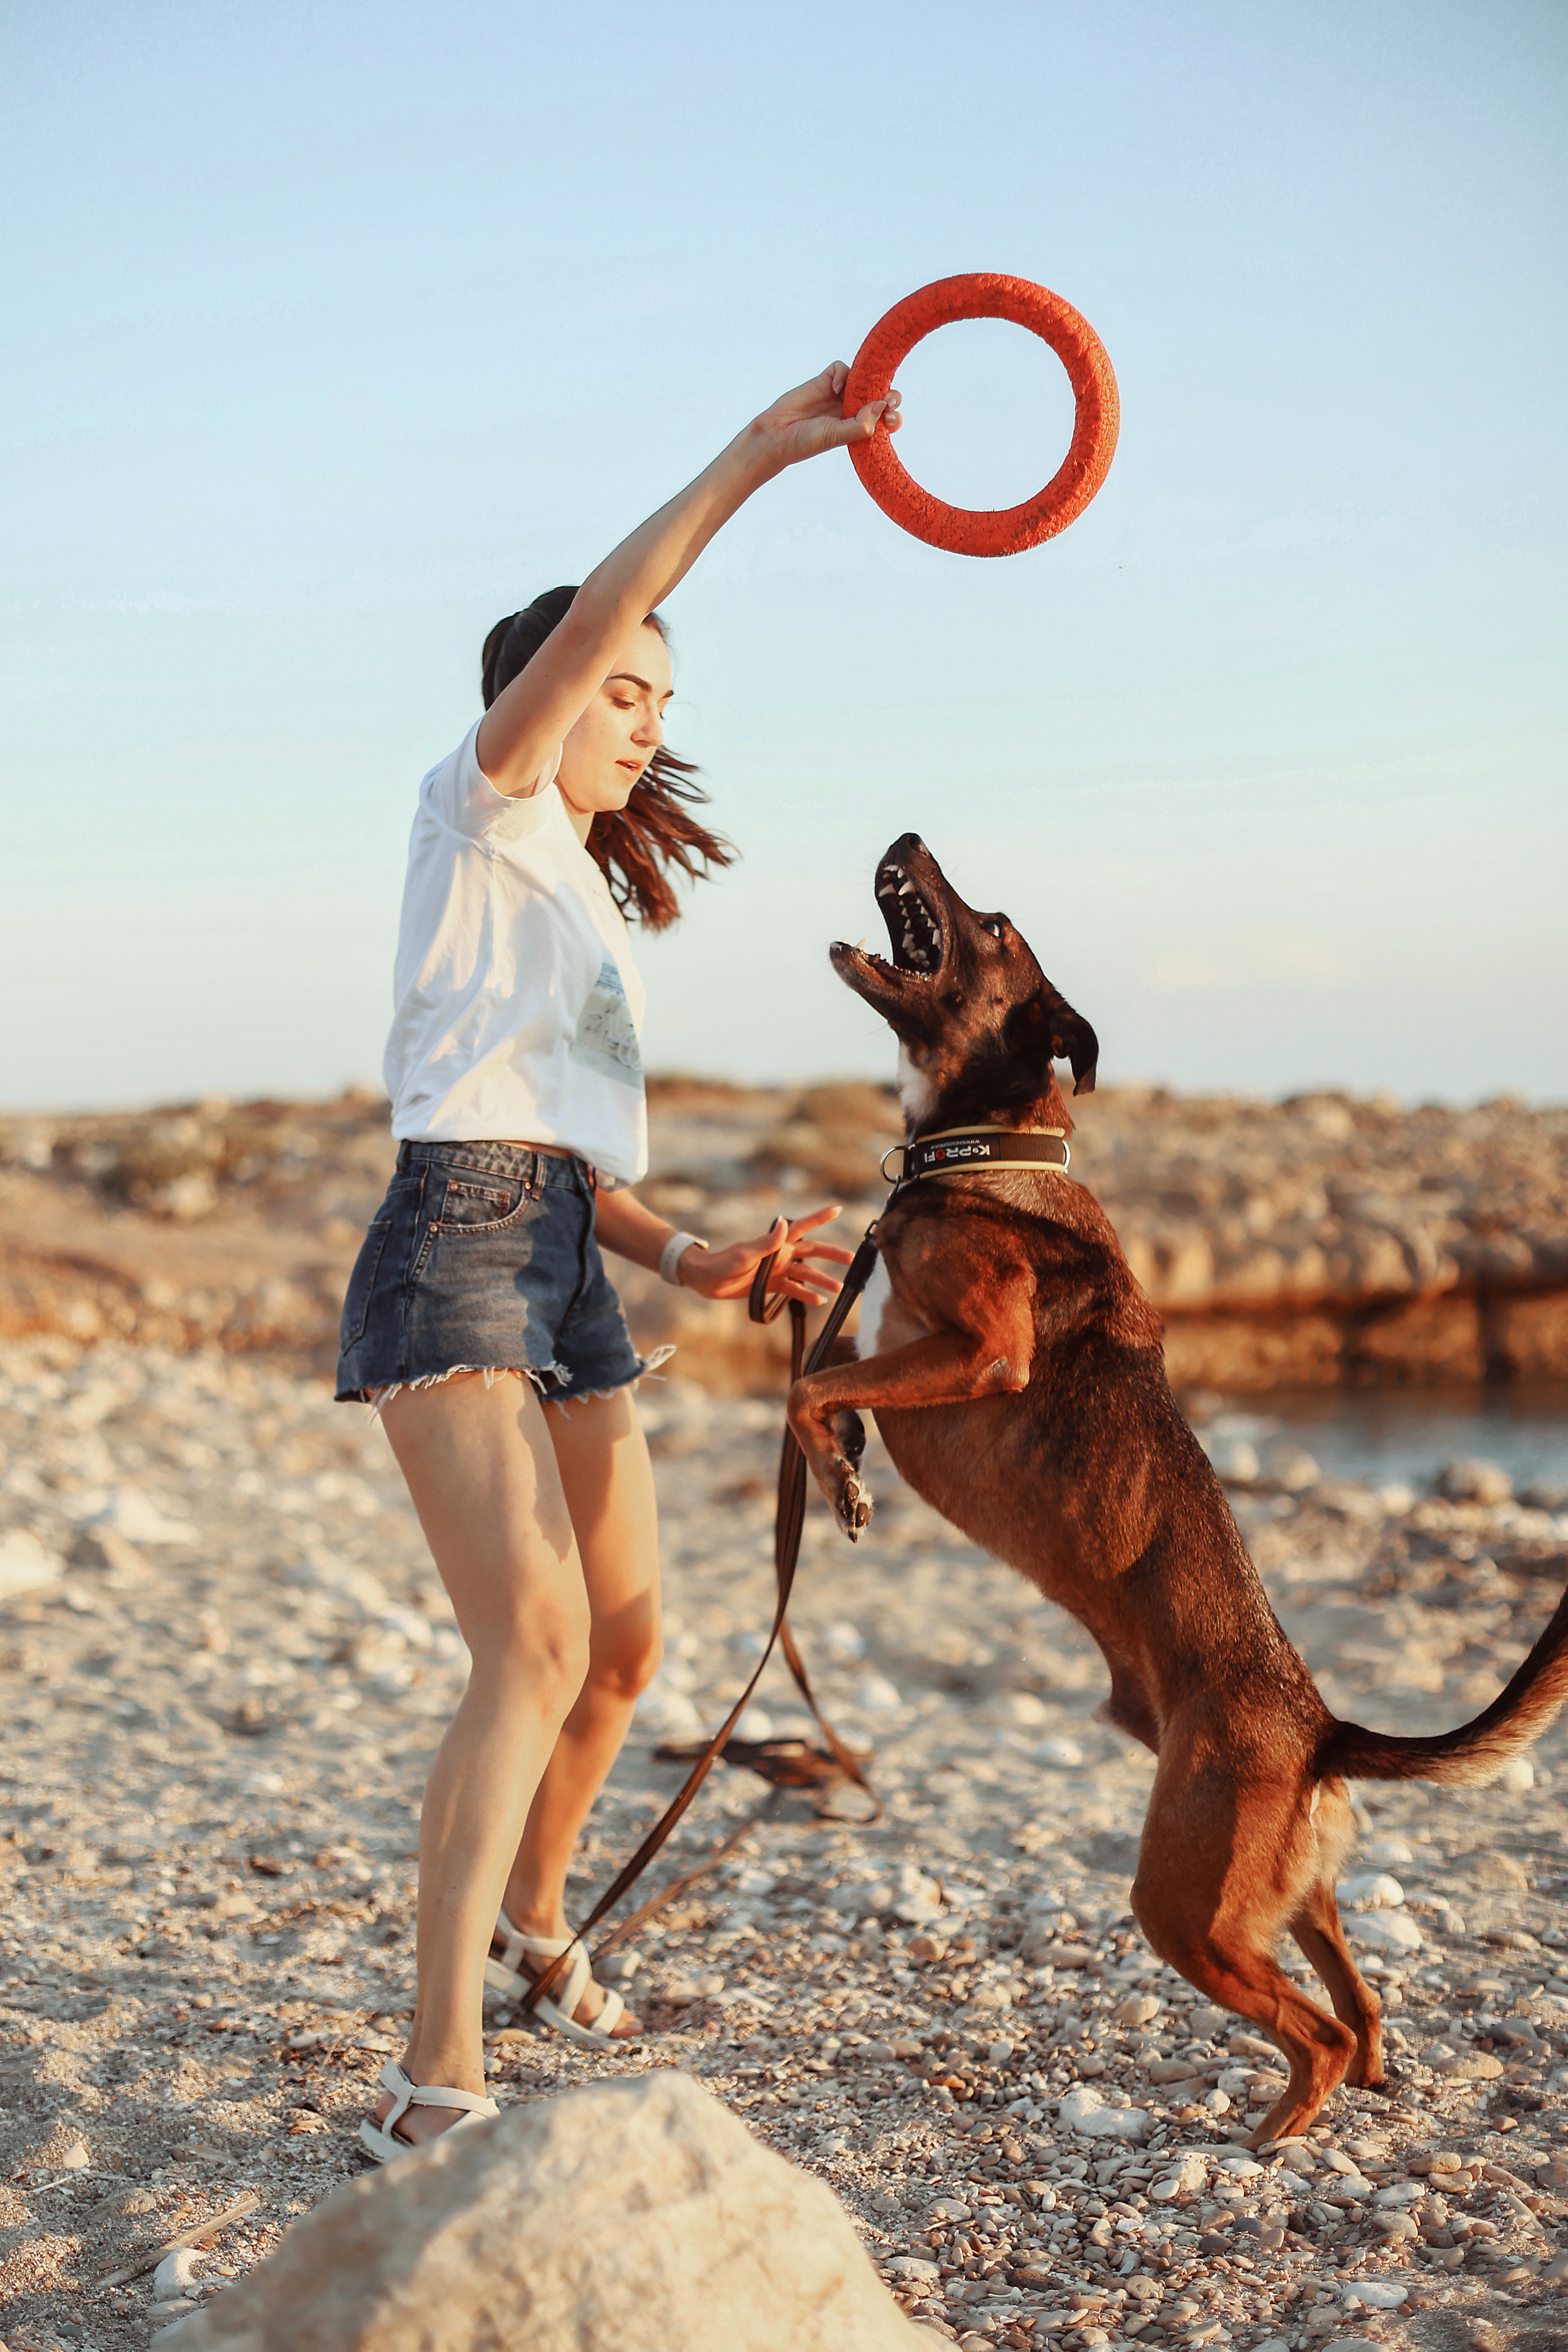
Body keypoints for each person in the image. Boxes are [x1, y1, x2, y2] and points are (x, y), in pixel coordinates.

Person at [337, 363, 902, 2158]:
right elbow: (595, 618)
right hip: (453, 1252)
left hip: (566, 1259)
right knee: (531, 1643)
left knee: (627, 1651)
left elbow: (577, 1163)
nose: (642, 723)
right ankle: (435, 2078)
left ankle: (534, 1919)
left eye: (663, 701)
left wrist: (702, 1255)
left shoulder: (583, 898)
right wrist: (753, 460)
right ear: (545, 695)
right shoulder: (482, 806)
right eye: (621, 689)